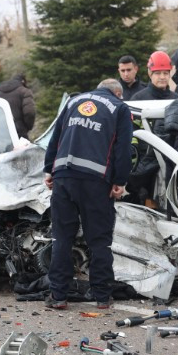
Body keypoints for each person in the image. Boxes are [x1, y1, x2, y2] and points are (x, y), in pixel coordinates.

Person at [42, 78, 133, 310]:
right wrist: (120, 180)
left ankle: (58, 296)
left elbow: (55, 137)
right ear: (118, 94)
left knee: (62, 238)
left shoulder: (74, 101)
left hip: (63, 177)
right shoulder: (120, 108)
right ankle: (102, 297)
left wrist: (49, 169)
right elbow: (123, 148)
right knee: (99, 241)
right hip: (96, 182)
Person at [128, 51, 178, 206]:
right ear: (150, 73)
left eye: (165, 73)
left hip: (172, 160)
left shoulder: (177, 99)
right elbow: (132, 132)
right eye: (158, 73)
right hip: (145, 164)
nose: (162, 77)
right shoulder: (138, 100)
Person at [0, 73, 36, 139]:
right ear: (23, 81)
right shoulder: (24, 91)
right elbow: (29, 112)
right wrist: (27, 127)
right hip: (19, 132)